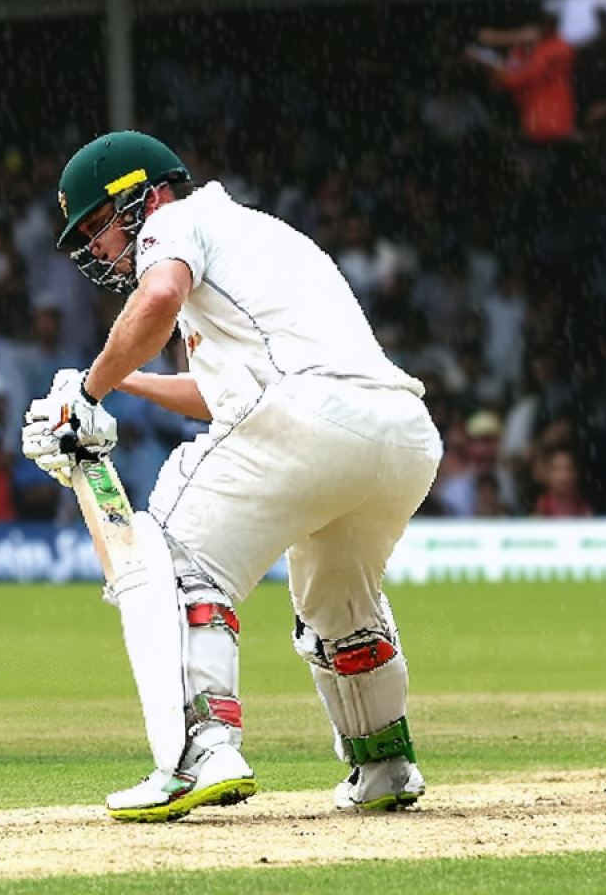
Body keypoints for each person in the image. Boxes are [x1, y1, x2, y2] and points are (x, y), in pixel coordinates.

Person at [22, 131, 441, 822]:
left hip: (311, 419)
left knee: (180, 559)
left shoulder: (176, 223)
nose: (96, 249)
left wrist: (87, 396)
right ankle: (384, 765)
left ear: (143, 197)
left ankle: (203, 753)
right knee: (340, 602)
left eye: (98, 225)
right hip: (398, 436)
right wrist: (121, 386)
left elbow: (156, 297)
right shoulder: (259, 234)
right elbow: (222, 394)